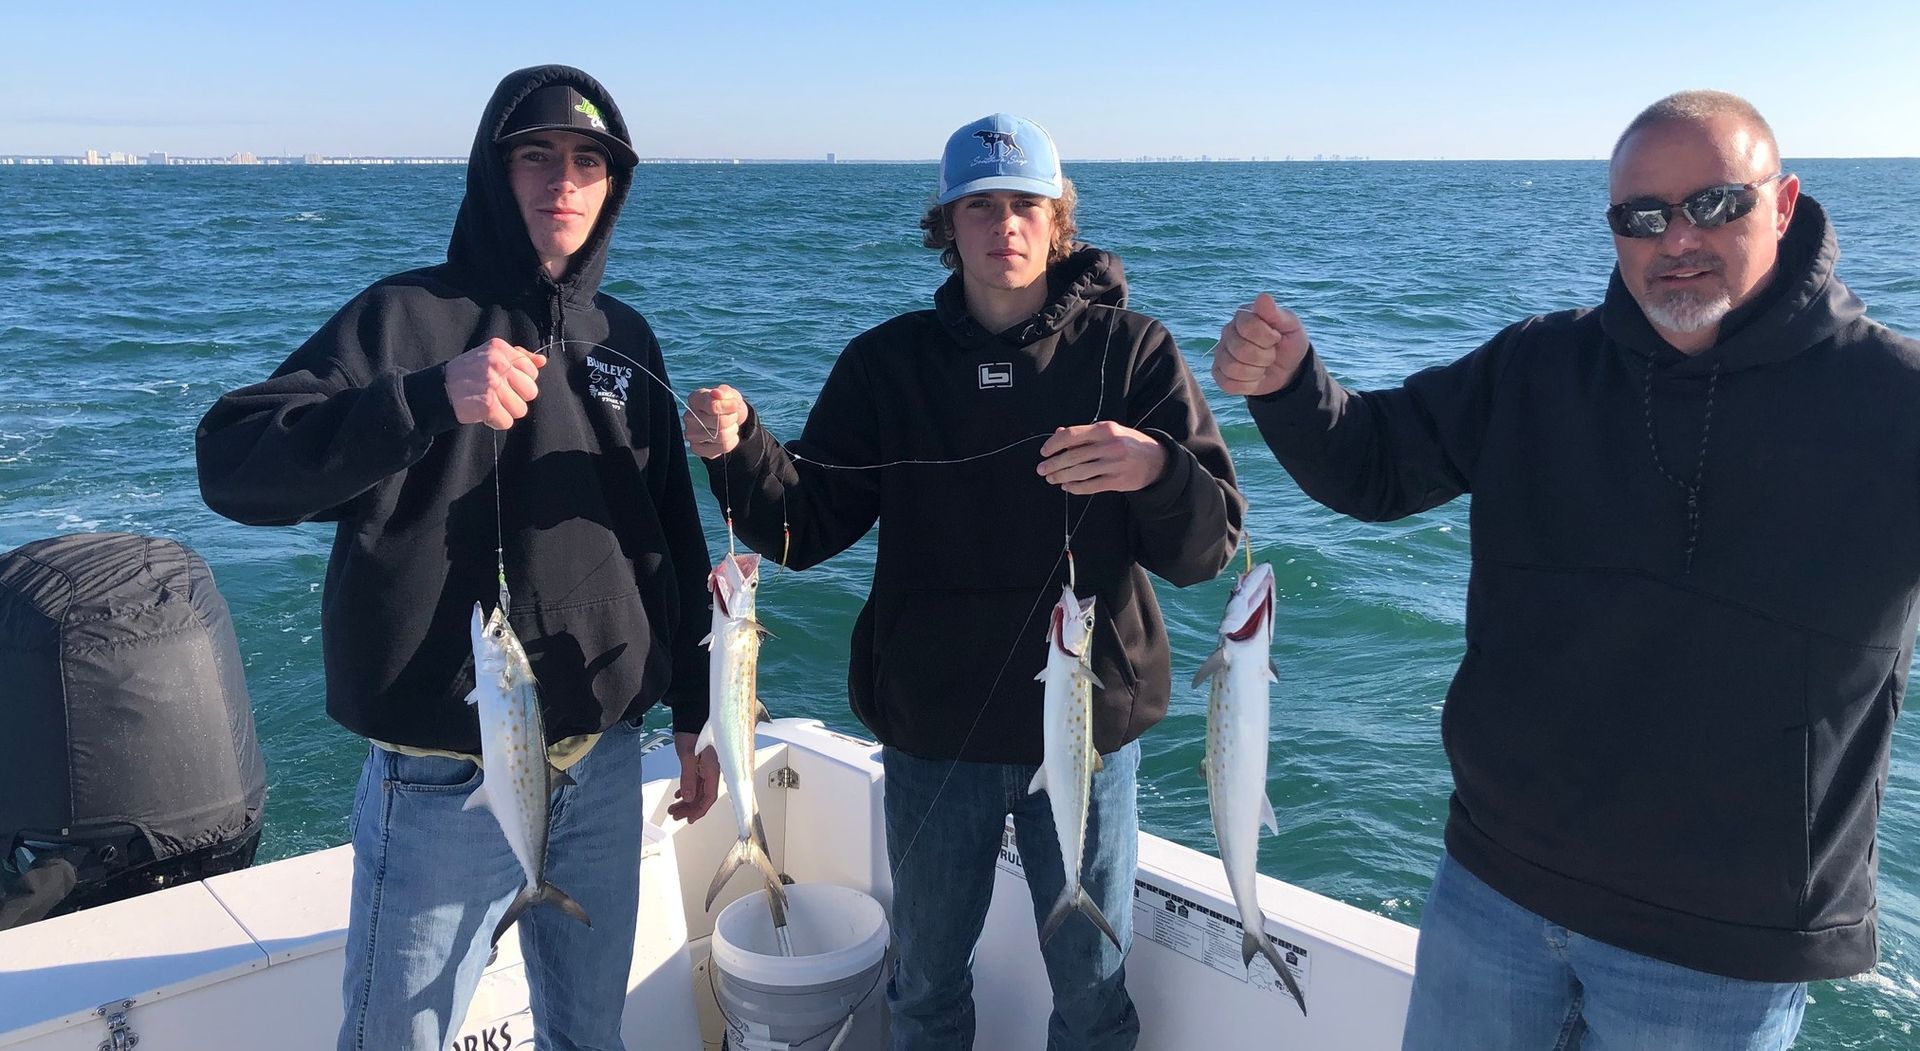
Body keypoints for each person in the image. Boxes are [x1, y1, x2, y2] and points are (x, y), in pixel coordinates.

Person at [1213, 89, 1920, 1049]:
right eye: (1642, 216)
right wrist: (1292, 384)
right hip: (1494, 888)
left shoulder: (1894, 402)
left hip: (1721, 947)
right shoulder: (1538, 366)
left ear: (1785, 203)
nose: (1677, 238)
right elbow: (1375, 464)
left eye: (1714, 204)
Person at [684, 113, 1244, 1049]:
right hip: (933, 733)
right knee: (927, 982)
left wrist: (1157, 469)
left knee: (1095, 989)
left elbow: (1210, 547)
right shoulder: (886, 363)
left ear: (1058, 219)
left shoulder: (1133, 351)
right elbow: (805, 522)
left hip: (1089, 729)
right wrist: (738, 451)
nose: (1005, 227)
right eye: (979, 207)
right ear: (946, 225)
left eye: (1025, 204)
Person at [195, 65, 717, 1051]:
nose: (562, 182)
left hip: (604, 766)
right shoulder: (401, 319)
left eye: (588, 163)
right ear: (492, 170)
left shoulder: (625, 338)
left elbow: (668, 542)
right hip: (440, 786)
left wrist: (694, 717)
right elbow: (234, 460)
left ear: (613, 188)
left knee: (591, 1034)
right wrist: (428, 399)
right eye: (536, 156)